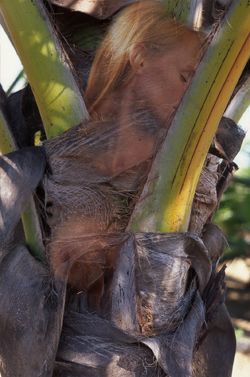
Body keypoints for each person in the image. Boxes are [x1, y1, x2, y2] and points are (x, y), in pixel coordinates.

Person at [44, 0, 205, 312]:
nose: (193, 98)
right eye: (185, 78)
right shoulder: (69, 142)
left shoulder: (180, 166)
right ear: (140, 58)